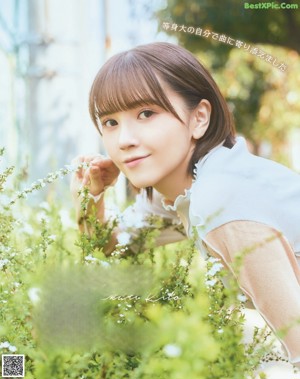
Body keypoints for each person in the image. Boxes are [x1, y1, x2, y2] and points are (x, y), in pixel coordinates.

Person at [71, 42, 300, 366]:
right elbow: (111, 245)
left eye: (146, 113)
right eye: (110, 122)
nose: (124, 139)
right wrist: (89, 197)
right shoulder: (181, 189)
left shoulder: (223, 198)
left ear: (199, 118)